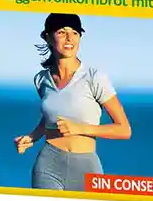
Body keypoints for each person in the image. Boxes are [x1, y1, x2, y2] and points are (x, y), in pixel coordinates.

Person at [14, 13, 132, 191]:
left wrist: (80, 128)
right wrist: (32, 137)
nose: (70, 38)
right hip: (48, 165)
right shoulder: (41, 79)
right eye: (62, 32)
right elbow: (50, 118)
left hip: (87, 168)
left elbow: (124, 130)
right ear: (48, 37)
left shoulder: (94, 78)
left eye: (75, 33)